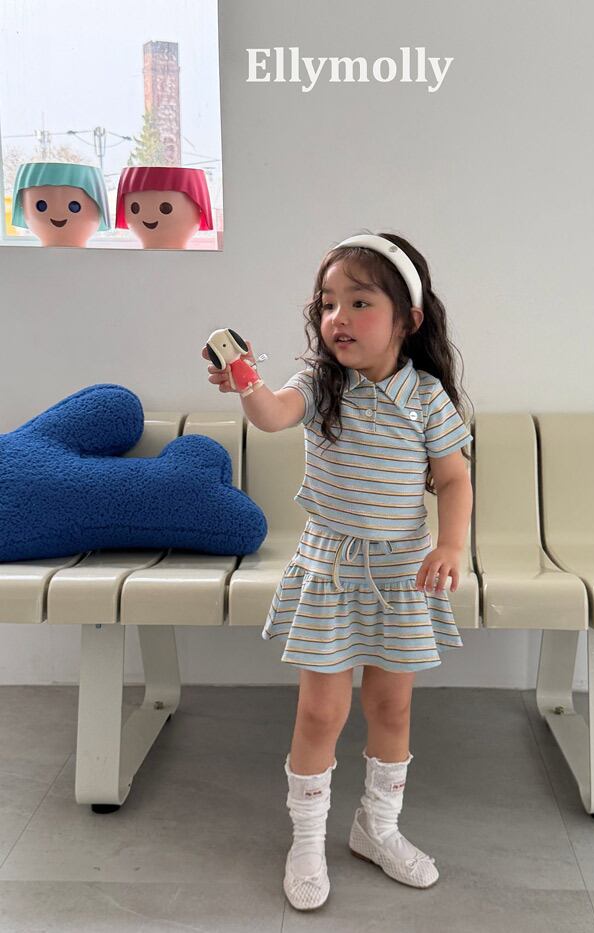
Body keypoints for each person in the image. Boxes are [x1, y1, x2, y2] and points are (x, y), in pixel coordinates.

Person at [202, 232, 473, 911]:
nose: (338, 318)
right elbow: (271, 415)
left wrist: (451, 545)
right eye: (327, 304)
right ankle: (306, 838)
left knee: (391, 704)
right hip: (329, 569)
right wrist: (244, 380)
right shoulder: (319, 384)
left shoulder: (426, 397)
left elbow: (454, 478)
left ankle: (377, 827)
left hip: (403, 573)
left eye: (359, 302)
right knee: (322, 709)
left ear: (408, 319)